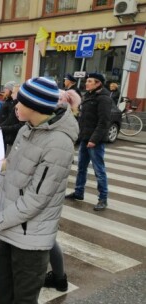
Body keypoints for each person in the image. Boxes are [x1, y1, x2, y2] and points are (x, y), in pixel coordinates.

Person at [0, 77, 78, 304]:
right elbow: (8, 173)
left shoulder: (58, 144)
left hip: (30, 241)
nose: (15, 106)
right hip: (8, 231)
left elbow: (36, 199)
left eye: (19, 102)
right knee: (4, 294)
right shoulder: (26, 130)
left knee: (23, 299)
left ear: (34, 106)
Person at [66, 72, 112, 211]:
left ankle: (103, 199)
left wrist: (93, 140)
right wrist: (79, 137)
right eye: (87, 81)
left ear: (98, 83)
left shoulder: (103, 99)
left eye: (90, 81)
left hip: (94, 141)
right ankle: (79, 192)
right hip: (85, 138)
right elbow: (83, 119)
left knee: (99, 170)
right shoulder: (88, 96)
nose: (86, 83)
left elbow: (104, 122)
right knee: (81, 168)